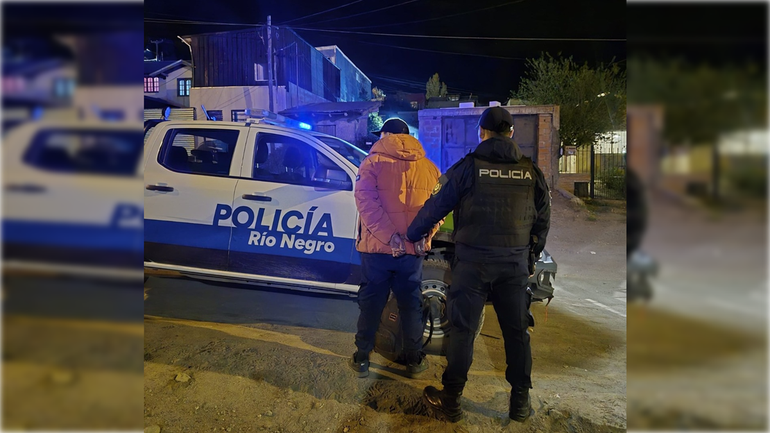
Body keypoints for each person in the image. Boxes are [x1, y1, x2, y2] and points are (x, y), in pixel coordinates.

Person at [406, 106, 551, 422]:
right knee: (517, 334)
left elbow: (436, 205)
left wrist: (412, 233)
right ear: (511, 134)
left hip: (472, 266)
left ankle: (452, 400)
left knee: (463, 332)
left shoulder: (468, 168)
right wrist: (530, 257)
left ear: (481, 133)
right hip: (513, 267)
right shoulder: (530, 172)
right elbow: (542, 220)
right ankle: (520, 404)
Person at [350, 118, 442, 378]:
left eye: (382, 134)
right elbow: (438, 208)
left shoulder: (372, 163)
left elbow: (365, 203)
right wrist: (426, 234)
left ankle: (362, 358)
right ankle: (414, 361)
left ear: (388, 134)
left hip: (377, 250)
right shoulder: (430, 167)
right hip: (412, 252)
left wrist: (390, 237)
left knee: (372, 304)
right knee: (410, 305)